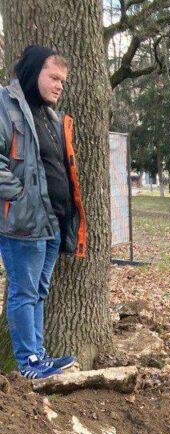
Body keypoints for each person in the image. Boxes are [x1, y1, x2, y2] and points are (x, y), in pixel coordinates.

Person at [0, 46, 85, 380]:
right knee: (23, 291)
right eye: (53, 77)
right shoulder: (6, 106)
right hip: (22, 222)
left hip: (51, 222)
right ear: (34, 71)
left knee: (38, 291)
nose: (59, 85)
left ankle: (39, 356)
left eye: (63, 80)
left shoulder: (49, 115)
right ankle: (28, 362)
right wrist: (20, 197)